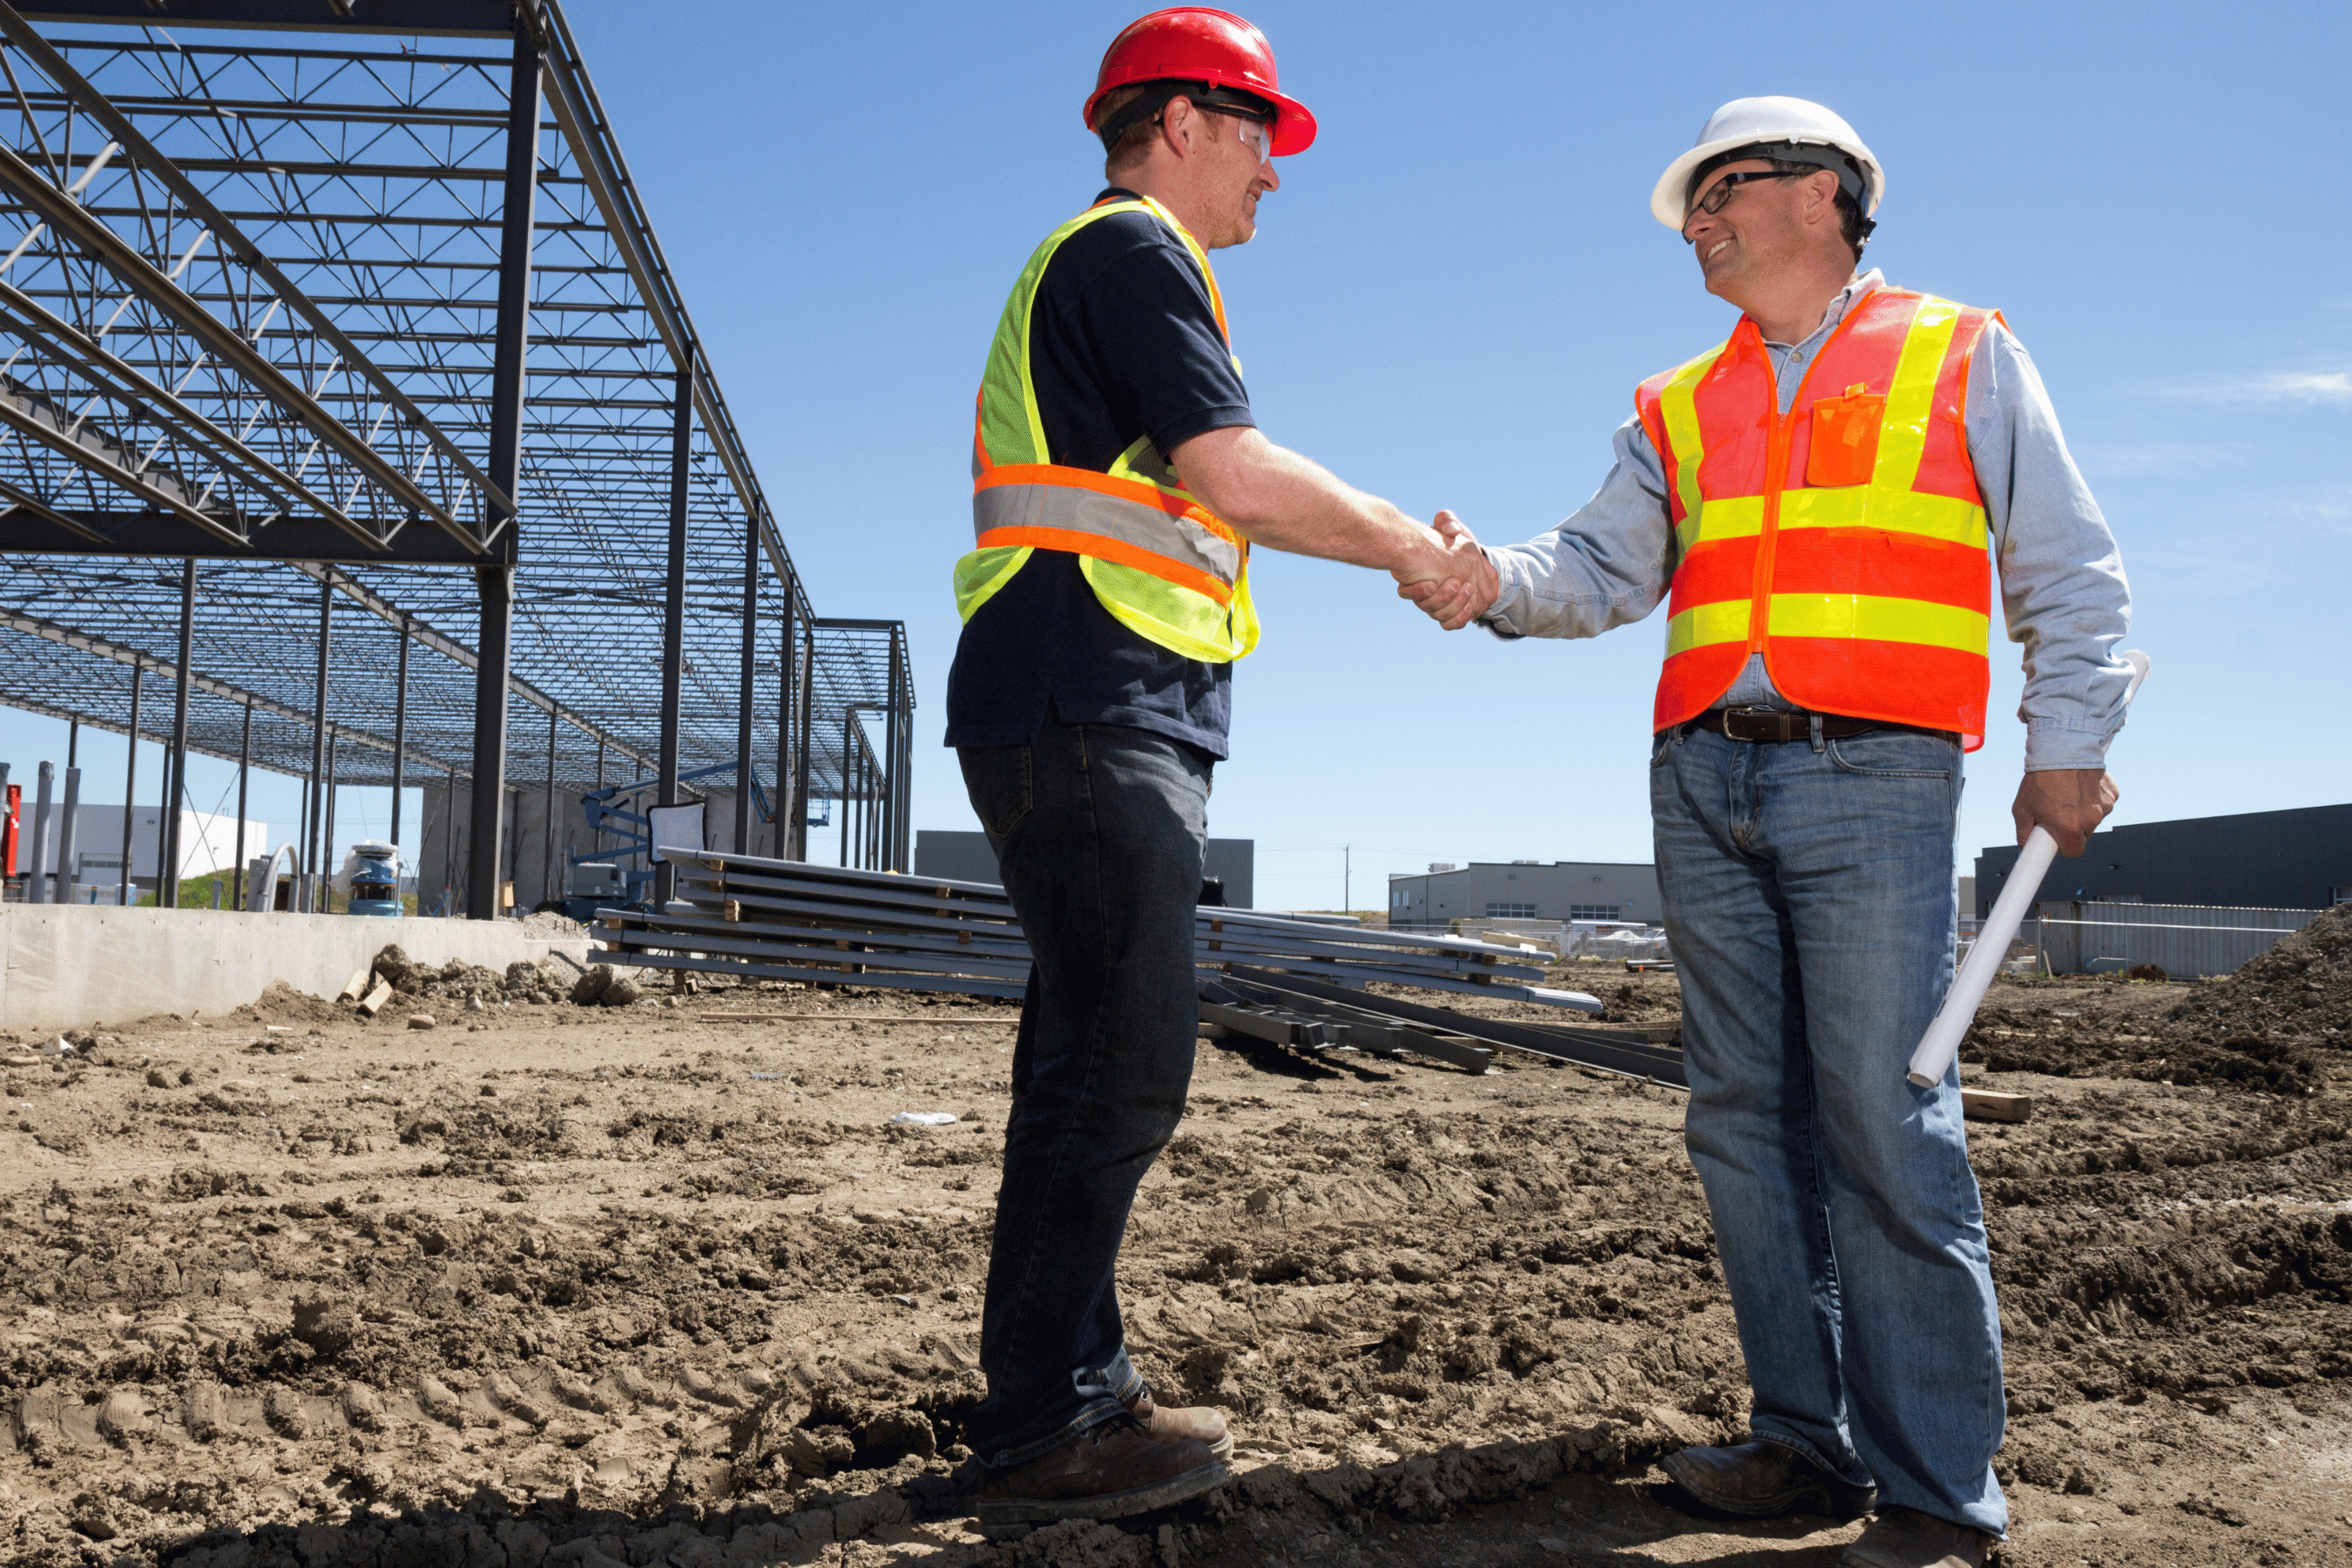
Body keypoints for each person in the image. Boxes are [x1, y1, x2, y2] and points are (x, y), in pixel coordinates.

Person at [1402, 98, 2134, 1568]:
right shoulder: (1679, 401)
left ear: (1824, 197)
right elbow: (1602, 566)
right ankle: (1806, 1443)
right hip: (1701, 780)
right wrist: (1487, 580)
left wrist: (2072, 750)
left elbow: (2068, 567)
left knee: (1883, 1121)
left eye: (1723, 192)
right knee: (1743, 1122)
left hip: (1874, 778)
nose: (1698, 224)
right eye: (1693, 203)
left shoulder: (1959, 351)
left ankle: (1938, 1496)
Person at [947, 6, 1478, 1535]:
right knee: (1121, 1063)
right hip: (1086, 699)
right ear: (1176, 125)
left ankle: (1066, 1392)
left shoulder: (1119, 267)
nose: (1274, 170)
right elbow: (1229, 473)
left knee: (1085, 1062)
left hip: (1092, 699)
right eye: (1258, 132)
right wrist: (1410, 547)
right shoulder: (1131, 255)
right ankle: (1048, 1422)